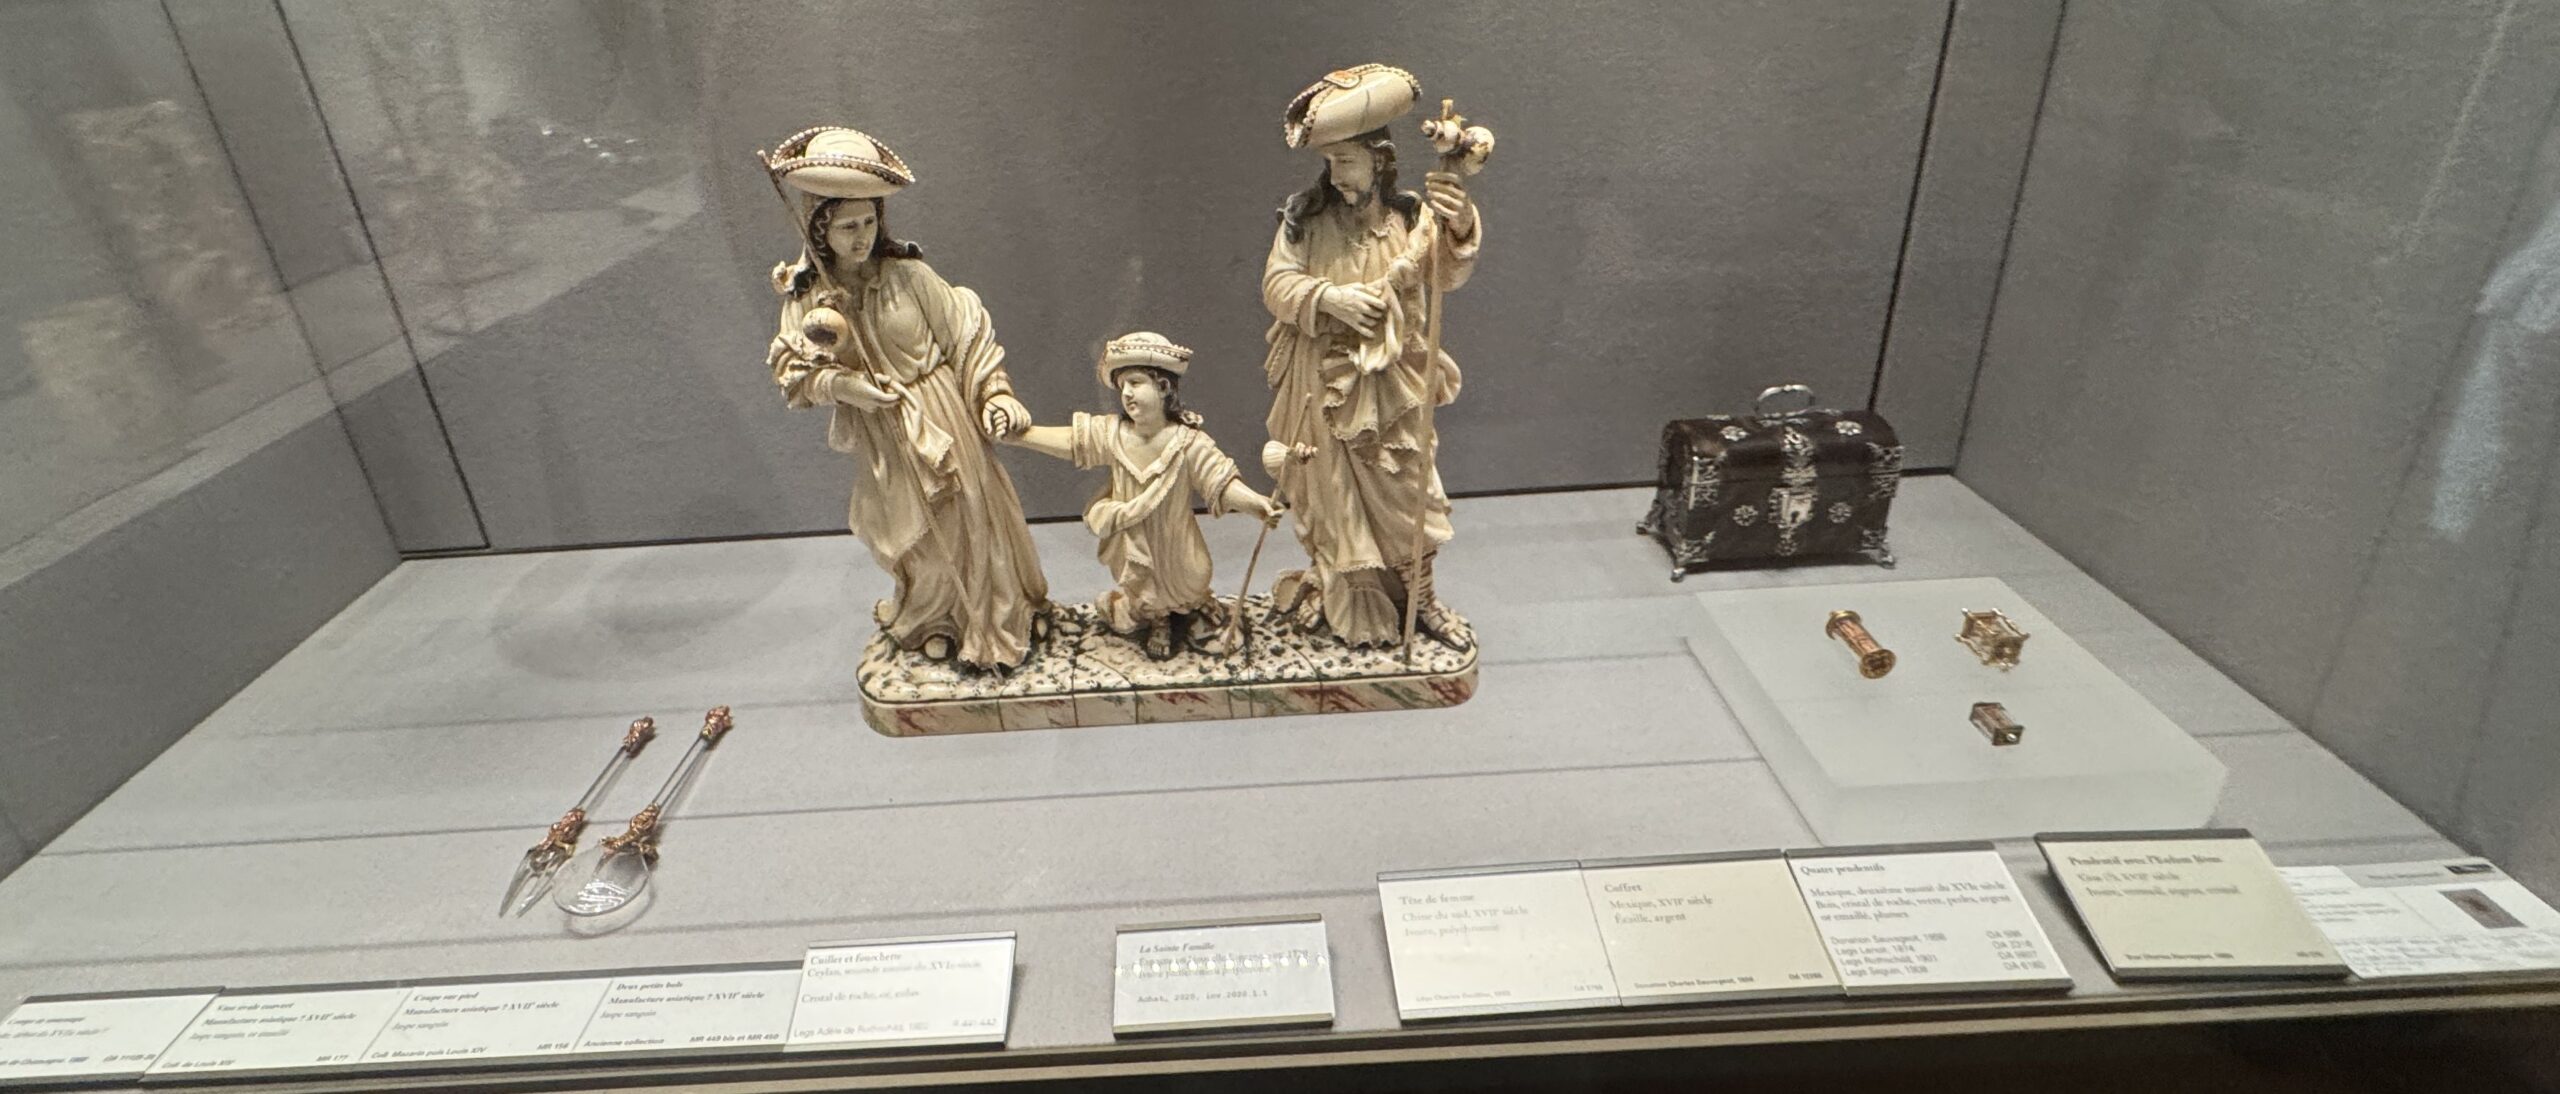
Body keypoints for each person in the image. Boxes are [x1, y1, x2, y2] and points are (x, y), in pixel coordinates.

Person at [763, 127, 1049, 670]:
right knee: (916, 539)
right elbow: (794, 374)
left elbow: (966, 333)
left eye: (869, 222)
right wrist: (846, 386)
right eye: (847, 226)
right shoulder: (811, 299)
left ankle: (993, 622)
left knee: (971, 520)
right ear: (820, 229)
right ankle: (931, 619)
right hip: (885, 431)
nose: (861, 237)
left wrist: (995, 393)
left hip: (943, 414)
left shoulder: (910, 277)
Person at [1259, 65, 1483, 649]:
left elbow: (1445, 275)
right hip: (1322, 385)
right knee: (1330, 500)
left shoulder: (1410, 219)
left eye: (1348, 161)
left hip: (1390, 386)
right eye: (1330, 162)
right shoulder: (1304, 220)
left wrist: (1458, 221)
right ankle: (1345, 592)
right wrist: (1328, 298)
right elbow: (1276, 285)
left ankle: (1423, 603)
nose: (1337, 174)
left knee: (1409, 495)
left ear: (1379, 162)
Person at [1004, 333, 1284, 659]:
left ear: (1163, 387)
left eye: (1135, 383)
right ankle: (1159, 621)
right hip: (1135, 543)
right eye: (1122, 385)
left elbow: (1219, 480)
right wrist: (1021, 436)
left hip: (1177, 541)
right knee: (1144, 588)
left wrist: (1257, 504)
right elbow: (1072, 442)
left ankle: (1195, 605)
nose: (1126, 393)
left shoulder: (1187, 442)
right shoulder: (1113, 435)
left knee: (1193, 576)